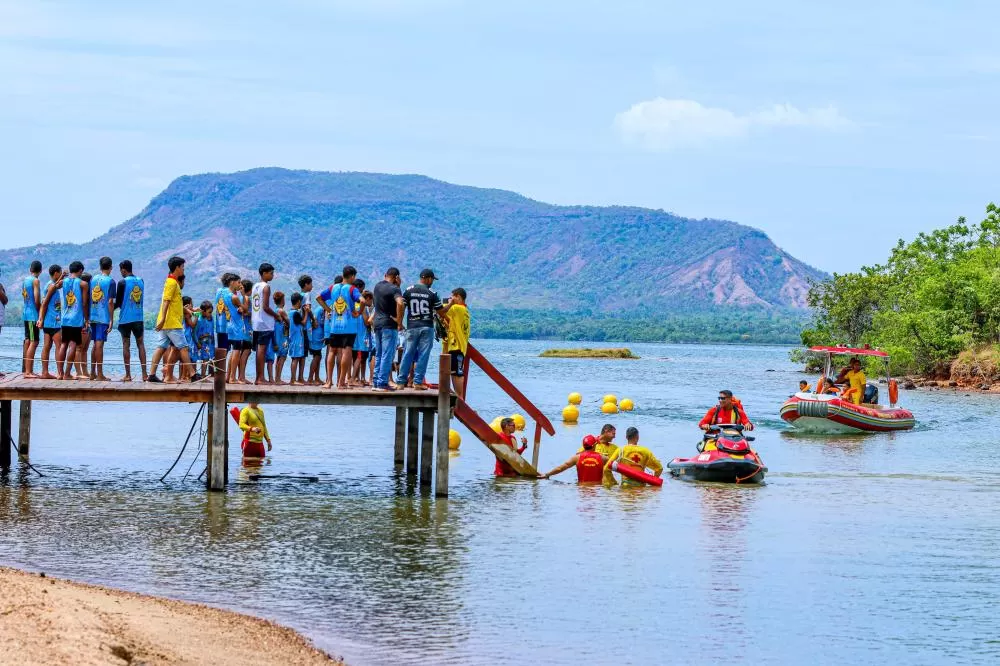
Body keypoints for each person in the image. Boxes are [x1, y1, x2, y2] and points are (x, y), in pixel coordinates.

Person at [398, 269, 450, 390]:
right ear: (428, 279)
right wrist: (450, 304)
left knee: (408, 353)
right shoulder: (432, 293)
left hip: (412, 326)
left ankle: (400, 382)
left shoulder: (408, 290)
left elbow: (401, 306)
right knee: (423, 355)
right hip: (427, 327)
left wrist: (399, 323)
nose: (432, 282)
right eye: (432, 280)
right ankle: (417, 382)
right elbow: (441, 312)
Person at [150, 256, 193, 384]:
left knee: (161, 347)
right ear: (177, 268)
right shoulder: (171, 282)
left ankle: (152, 374)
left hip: (169, 322)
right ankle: (193, 374)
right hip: (172, 322)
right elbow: (166, 301)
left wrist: (188, 310)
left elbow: (175, 303)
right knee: (184, 348)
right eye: (182, 267)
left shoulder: (173, 282)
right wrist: (163, 318)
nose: (184, 269)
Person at [317, 265, 362, 389]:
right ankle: (341, 382)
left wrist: (328, 310)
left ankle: (328, 381)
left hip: (334, 326)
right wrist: (358, 312)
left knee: (332, 351)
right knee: (346, 351)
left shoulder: (333, 287)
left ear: (343, 275)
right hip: (349, 327)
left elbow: (318, 298)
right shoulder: (352, 289)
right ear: (352, 276)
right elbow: (363, 300)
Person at [371, 267, 405, 392]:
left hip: (377, 324)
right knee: (387, 355)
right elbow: (400, 303)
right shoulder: (395, 289)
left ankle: (376, 382)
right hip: (389, 325)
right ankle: (382, 383)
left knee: (379, 354)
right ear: (397, 278)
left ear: (385, 275)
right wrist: (399, 321)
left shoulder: (377, 286)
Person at [251, 262, 285, 385]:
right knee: (262, 350)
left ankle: (258, 377)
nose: (272, 275)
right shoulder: (266, 287)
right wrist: (276, 316)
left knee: (259, 350)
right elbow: (265, 307)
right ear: (264, 273)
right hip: (265, 323)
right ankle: (260, 378)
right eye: (271, 273)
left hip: (256, 322)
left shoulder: (255, 286)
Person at [57, 261, 89, 381]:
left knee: (63, 344)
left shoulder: (63, 282)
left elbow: (55, 286)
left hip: (65, 318)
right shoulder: (83, 284)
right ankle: (67, 374)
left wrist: (61, 277)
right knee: (73, 344)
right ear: (80, 270)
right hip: (76, 318)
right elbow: (84, 303)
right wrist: (86, 319)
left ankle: (60, 373)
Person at [116, 259, 147, 382]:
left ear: (123, 269)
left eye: (121, 270)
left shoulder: (122, 282)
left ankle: (128, 375)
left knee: (126, 345)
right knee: (141, 344)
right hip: (138, 318)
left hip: (125, 319)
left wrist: (109, 309)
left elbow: (118, 303)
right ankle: (144, 375)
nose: (121, 273)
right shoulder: (141, 281)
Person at [89, 256, 116, 381]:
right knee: (99, 344)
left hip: (92, 315)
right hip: (102, 317)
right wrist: (111, 320)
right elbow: (110, 302)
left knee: (95, 344)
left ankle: (92, 372)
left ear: (100, 267)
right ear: (111, 267)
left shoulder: (93, 279)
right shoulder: (111, 282)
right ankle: (100, 374)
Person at [539, 434, 605, 483]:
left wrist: (547, 474)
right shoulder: (602, 457)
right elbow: (612, 466)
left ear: (583, 446)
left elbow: (560, 468)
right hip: (597, 490)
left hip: (582, 490)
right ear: (594, 445)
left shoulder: (577, 458)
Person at [35, 264, 63, 379]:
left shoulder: (51, 285)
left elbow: (59, 285)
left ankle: (45, 372)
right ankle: (60, 373)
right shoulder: (51, 286)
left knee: (47, 346)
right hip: (53, 321)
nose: (60, 275)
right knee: (59, 346)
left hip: (49, 321)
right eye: (60, 273)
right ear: (56, 273)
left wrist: (63, 276)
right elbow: (44, 304)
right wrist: (40, 318)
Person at [445, 287, 470, 397]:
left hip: (457, 346)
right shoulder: (463, 310)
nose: (450, 299)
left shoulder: (457, 308)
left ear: (458, 297)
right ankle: (458, 396)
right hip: (458, 345)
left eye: (452, 297)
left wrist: (449, 303)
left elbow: (441, 310)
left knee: (457, 372)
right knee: (454, 371)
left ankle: (460, 397)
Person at [224, 276, 249, 384]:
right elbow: (245, 309)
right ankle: (232, 378)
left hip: (230, 324)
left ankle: (228, 376)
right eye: (238, 282)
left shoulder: (226, 295)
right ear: (232, 282)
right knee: (237, 351)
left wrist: (240, 309)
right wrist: (244, 296)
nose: (240, 285)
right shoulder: (235, 297)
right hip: (237, 326)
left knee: (233, 351)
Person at [21, 261, 42, 377]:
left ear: (30, 269)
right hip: (32, 315)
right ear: (40, 271)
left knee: (28, 340)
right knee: (34, 341)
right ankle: (28, 371)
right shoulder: (35, 281)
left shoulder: (25, 280)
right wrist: (40, 312)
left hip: (26, 313)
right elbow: (36, 298)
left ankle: (27, 370)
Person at [213, 272, 237, 351]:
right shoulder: (230, 293)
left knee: (222, 351)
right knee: (236, 350)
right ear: (232, 282)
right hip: (230, 327)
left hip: (220, 327)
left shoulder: (218, 291)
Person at [287, 292, 307, 385]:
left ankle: (293, 379)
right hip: (297, 339)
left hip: (293, 338)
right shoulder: (296, 313)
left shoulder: (291, 312)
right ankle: (293, 380)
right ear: (298, 301)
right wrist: (306, 313)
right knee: (295, 359)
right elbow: (303, 322)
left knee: (295, 358)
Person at [194, 300, 215, 378]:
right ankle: (195, 375)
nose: (211, 314)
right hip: (200, 343)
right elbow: (194, 333)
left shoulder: (211, 319)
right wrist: (197, 342)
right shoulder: (199, 320)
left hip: (209, 343)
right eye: (209, 312)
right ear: (203, 311)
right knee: (195, 358)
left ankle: (203, 375)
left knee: (207, 358)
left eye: (211, 312)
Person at [272, 291, 289, 384]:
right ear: (282, 300)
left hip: (276, 335)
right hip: (282, 336)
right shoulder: (281, 311)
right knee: (283, 356)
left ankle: (277, 378)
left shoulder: (275, 310)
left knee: (279, 356)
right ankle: (278, 379)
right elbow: (289, 322)